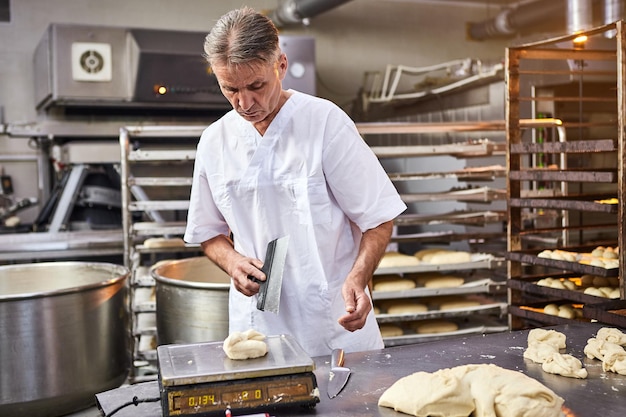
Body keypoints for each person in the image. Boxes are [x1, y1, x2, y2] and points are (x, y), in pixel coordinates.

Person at [184, 6, 406, 358]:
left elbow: (378, 218)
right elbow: (208, 232)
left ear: (281, 66)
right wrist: (232, 262)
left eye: (256, 86)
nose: (244, 103)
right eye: (230, 89)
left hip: (332, 324)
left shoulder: (325, 124)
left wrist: (358, 279)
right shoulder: (214, 141)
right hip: (256, 330)